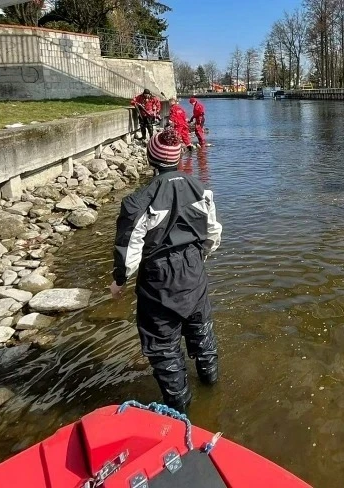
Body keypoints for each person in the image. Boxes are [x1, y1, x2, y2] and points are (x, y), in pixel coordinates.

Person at [111, 128, 223, 414]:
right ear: (178, 157)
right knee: (202, 331)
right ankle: (212, 384)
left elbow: (129, 247)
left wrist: (120, 280)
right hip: (193, 269)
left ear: (151, 158)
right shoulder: (200, 189)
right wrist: (200, 257)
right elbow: (212, 232)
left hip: (158, 279)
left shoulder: (139, 201)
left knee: (163, 346)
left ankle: (181, 409)